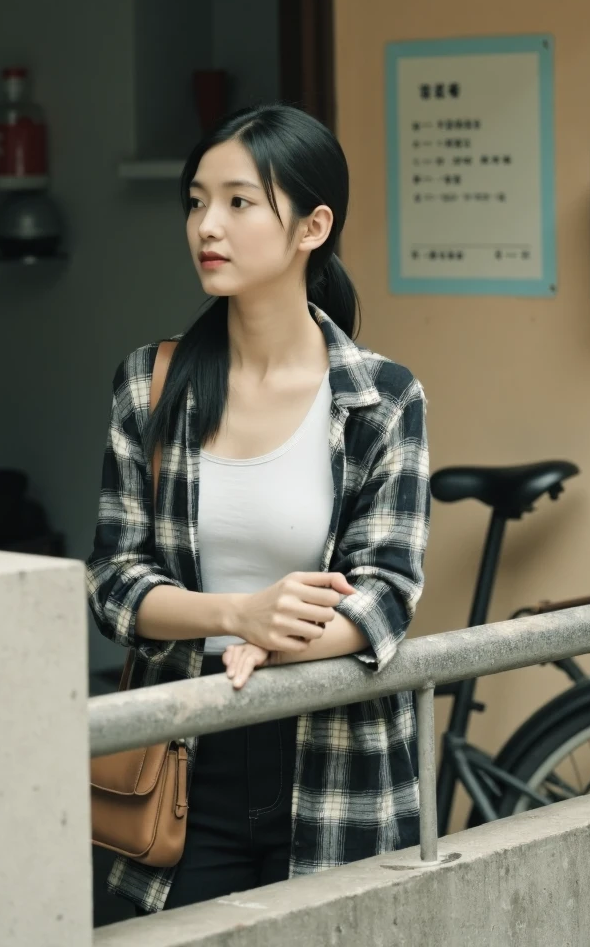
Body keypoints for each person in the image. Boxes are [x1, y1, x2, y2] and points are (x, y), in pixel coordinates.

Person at [86, 104, 431, 916]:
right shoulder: (151, 383)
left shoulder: (382, 397)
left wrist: (273, 650)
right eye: (198, 201)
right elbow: (113, 580)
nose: (209, 225)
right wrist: (242, 615)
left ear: (313, 226)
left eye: (240, 202)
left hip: (336, 755)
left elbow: (387, 592)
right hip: (184, 746)